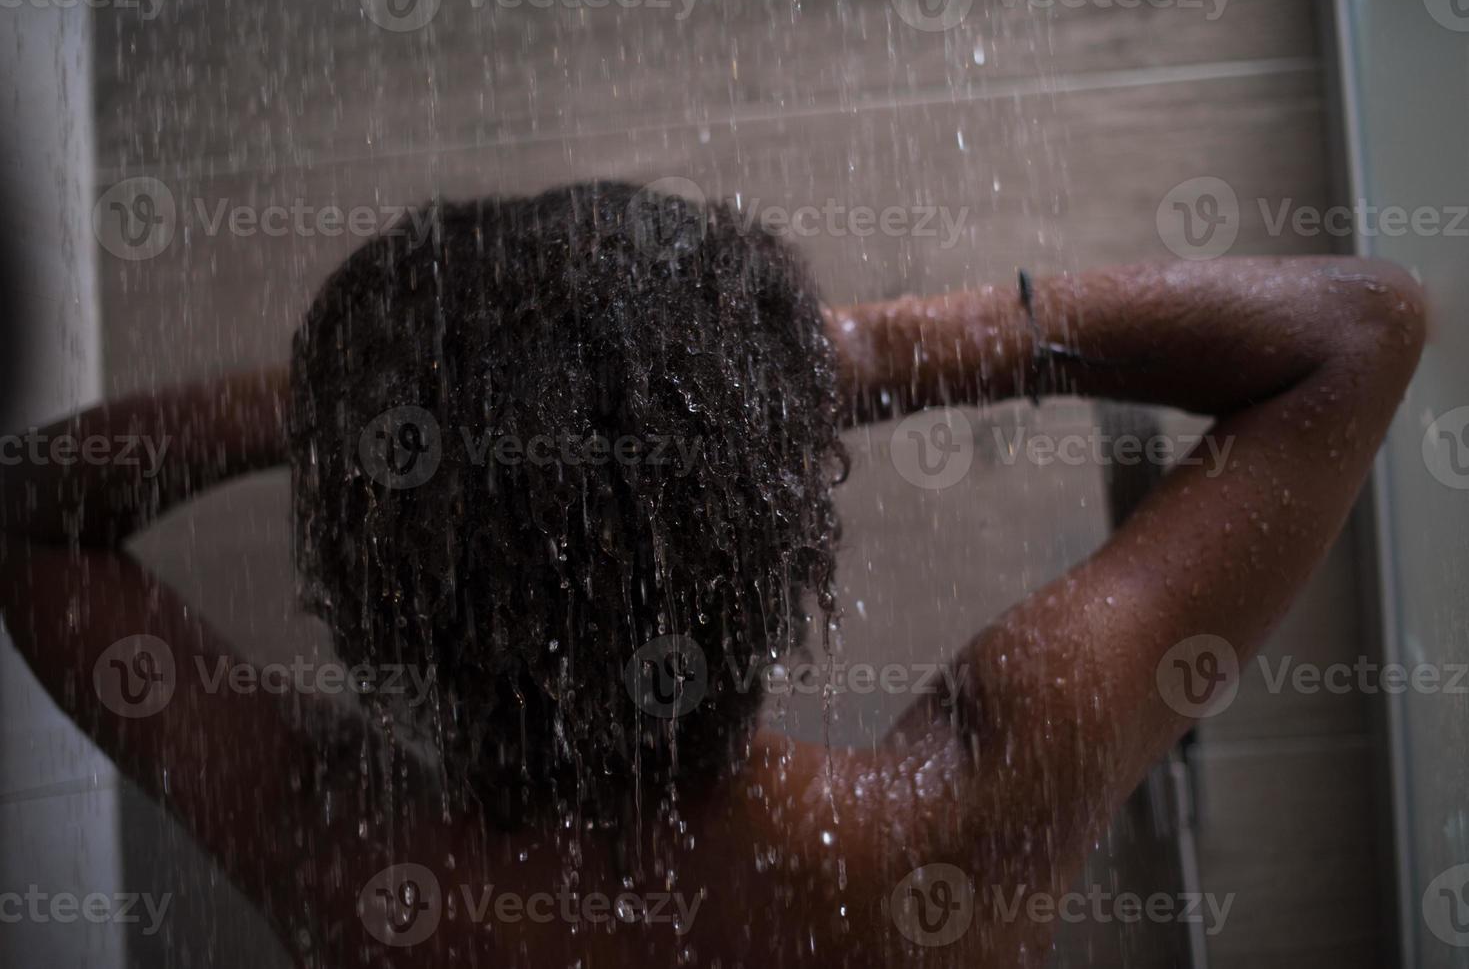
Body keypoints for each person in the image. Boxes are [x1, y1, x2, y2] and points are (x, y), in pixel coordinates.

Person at [0, 182, 1426, 966]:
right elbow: (1357, 329)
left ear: (375, 585)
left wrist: (372, 407)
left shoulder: (353, 863)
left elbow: (32, 515)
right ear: (780, 523)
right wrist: (861, 352)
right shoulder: (967, 816)